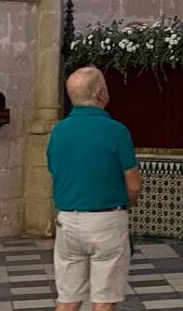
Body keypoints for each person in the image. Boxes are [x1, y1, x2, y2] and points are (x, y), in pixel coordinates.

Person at [47, 66, 143, 311]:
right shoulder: (116, 131)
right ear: (101, 93)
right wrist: (125, 204)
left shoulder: (57, 131)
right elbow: (133, 184)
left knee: (67, 297)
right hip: (106, 219)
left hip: (67, 219)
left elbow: (55, 172)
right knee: (104, 297)